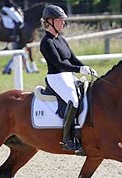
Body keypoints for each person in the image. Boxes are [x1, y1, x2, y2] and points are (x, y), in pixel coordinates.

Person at [40, 5, 98, 151]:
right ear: (50, 21)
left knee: (86, 95)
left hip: (67, 75)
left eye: (63, 20)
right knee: (74, 100)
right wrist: (79, 69)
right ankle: (67, 139)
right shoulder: (46, 42)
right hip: (56, 77)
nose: (63, 23)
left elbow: (73, 59)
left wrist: (86, 67)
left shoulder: (61, 39)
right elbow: (59, 64)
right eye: (60, 20)